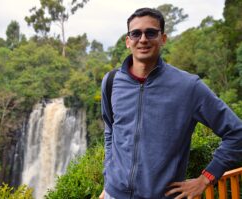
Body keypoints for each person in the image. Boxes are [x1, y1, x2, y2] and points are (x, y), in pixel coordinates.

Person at [99, 7, 242, 199]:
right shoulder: (111, 82)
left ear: (163, 39)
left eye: (151, 32)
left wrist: (206, 178)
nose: (143, 39)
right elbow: (110, 129)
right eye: (136, 33)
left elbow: (237, 133)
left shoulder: (188, 87)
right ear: (128, 41)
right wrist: (109, 181)